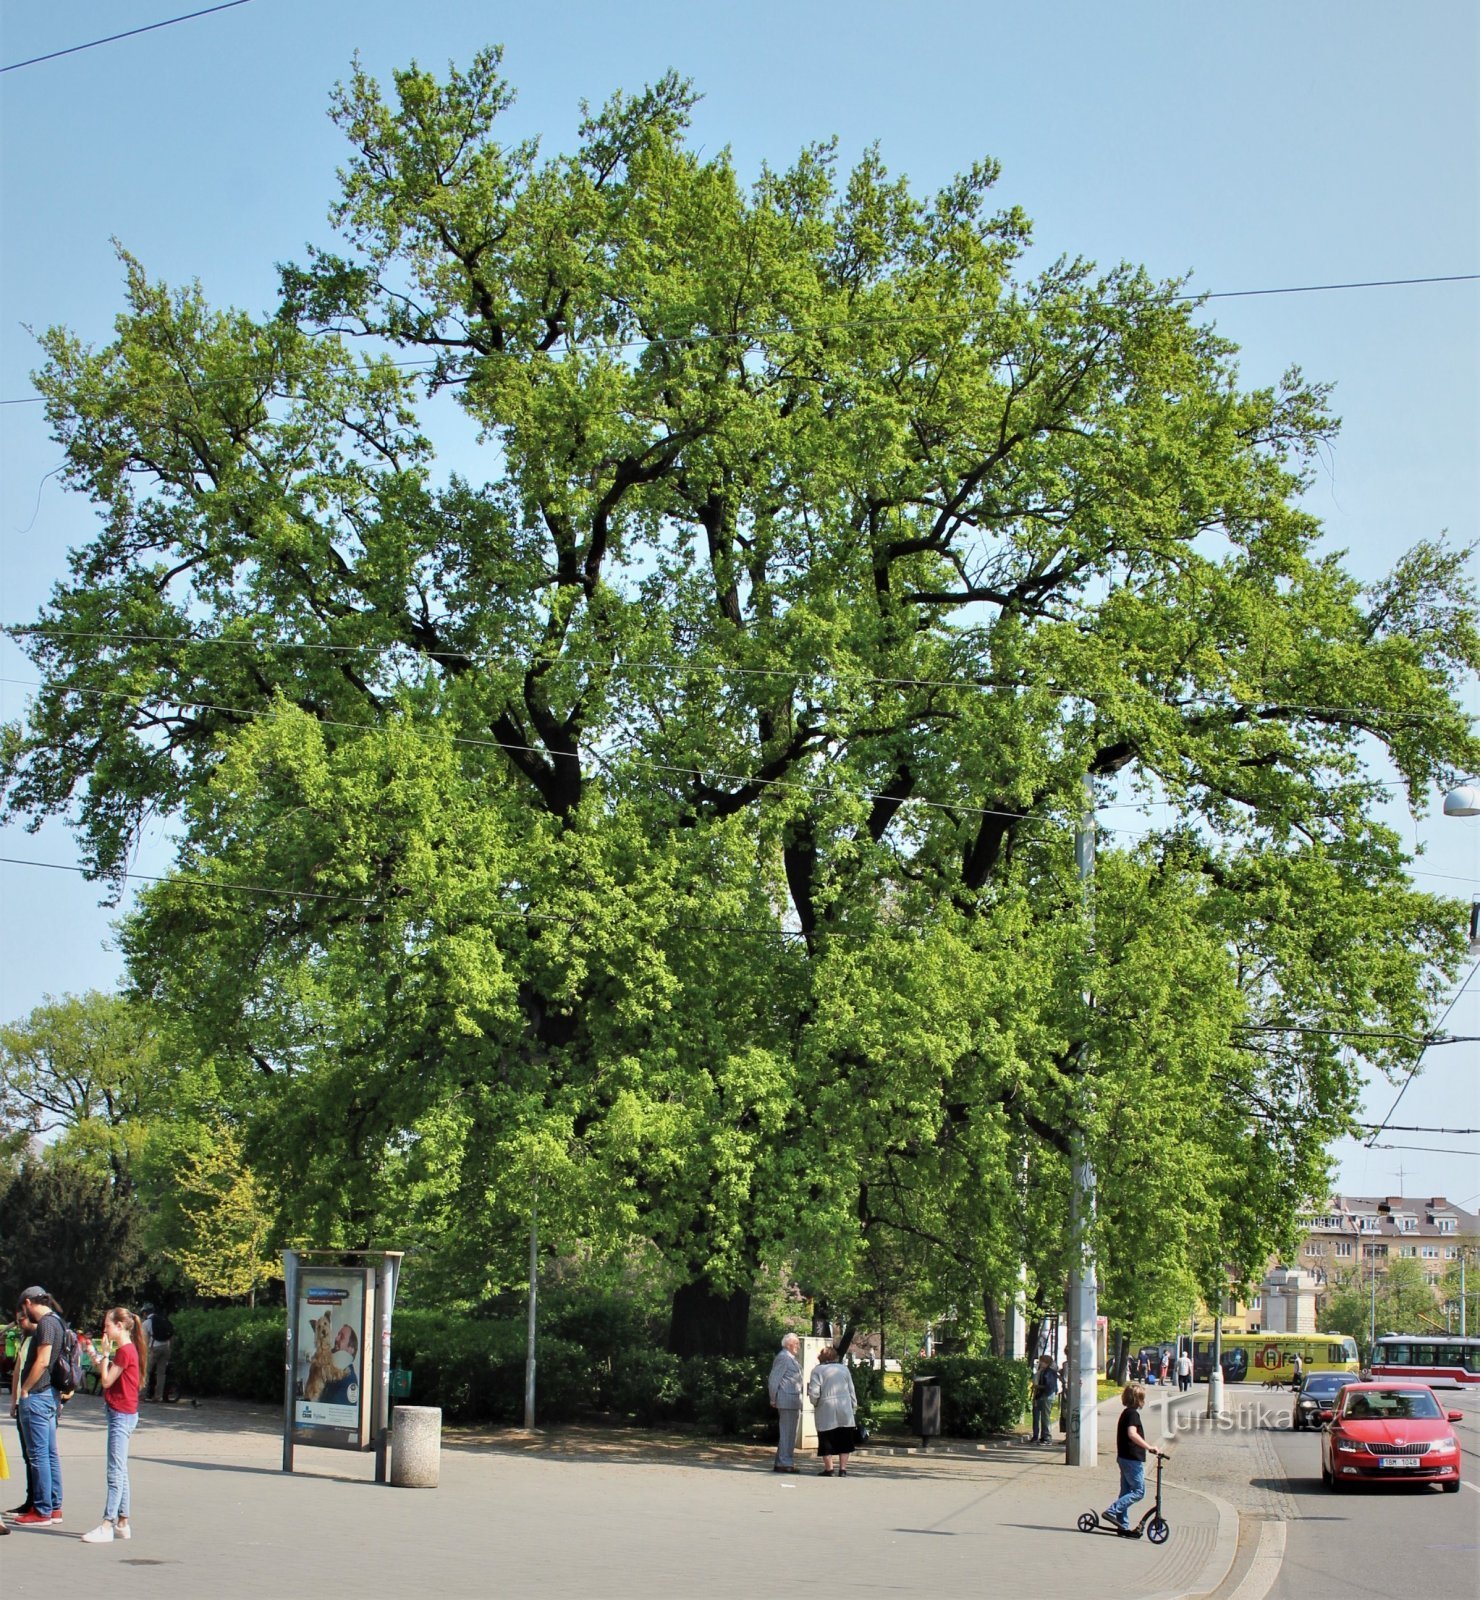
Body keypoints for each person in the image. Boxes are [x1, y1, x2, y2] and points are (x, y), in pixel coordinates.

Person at [78, 1307, 148, 1543]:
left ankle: (107, 1525)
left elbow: (106, 1381)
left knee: (115, 1472)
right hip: (122, 1413)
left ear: (119, 1325)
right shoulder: (126, 1350)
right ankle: (123, 1522)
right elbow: (109, 1373)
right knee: (121, 1469)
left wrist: (105, 1354)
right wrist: (96, 1354)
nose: (104, 1329)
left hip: (121, 1414)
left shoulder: (125, 1351)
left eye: (107, 1325)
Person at [11, 1287, 64, 1526]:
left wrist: (25, 1389)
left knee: (38, 1456)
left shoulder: (45, 1324)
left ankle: (42, 1510)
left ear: (29, 1303)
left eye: (24, 1309)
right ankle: (54, 1507)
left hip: (38, 1395)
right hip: (50, 1395)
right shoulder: (58, 1322)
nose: (25, 1315)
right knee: (50, 1455)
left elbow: (43, 1361)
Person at [1101, 1383, 1166, 1534]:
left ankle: (1122, 1524)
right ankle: (1112, 1511)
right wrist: (1149, 1447)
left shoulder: (1126, 1413)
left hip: (1124, 1457)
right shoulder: (1132, 1414)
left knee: (1125, 1492)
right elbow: (1132, 1433)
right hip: (1131, 1458)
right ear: (1139, 1399)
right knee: (1138, 1491)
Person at [807, 1345, 858, 1477]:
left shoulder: (817, 1371)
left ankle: (829, 1469)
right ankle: (843, 1469)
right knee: (845, 1438)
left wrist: (815, 1402)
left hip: (826, 1407)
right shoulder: (844, 1369)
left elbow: (814, 1392)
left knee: (826, 1438)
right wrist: (853, 1405)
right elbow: (851, 1389)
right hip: (844, 1406)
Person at [767, 1333, 804, 1473]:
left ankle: (782, 1461)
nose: (798, 1347)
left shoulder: (790, 1359)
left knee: (789, 1433)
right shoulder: (783, 1357)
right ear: (789, 1345)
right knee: (787, 1433)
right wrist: (773, 1398)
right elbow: (774, 1379)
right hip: (787, 1399)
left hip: (792, 1400)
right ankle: (784, 1462)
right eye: (796, 1344)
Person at [143, 1306, 174, 1402]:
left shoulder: (147, 1323)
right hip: (166, 1347)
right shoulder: (163, 1320)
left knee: (146, 1371)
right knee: (161, 1373)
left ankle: (142, 1395)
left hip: (154, 1348)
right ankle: (158, 1396)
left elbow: (145, 1339)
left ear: (145, 1313)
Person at [1029, 1354, 1058, 1443]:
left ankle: (1047, 1437)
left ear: (1046, 1362)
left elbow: (1049, 1386)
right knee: (1037, 1416)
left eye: (1041, 1361)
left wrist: (1037, 1387)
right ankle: (1037, 1435)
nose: (1040, 1363)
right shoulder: (1041, 1371)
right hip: (1039, 1396)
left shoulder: (1049, 1372)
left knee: (1045, 1417)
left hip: (1047, 1396)